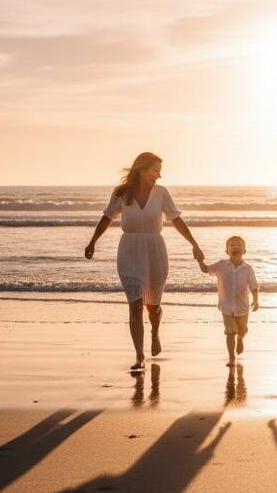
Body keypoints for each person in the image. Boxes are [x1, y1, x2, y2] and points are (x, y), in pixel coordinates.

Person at [84, 152, 204, 370]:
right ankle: (139, 356)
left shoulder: (161, 193)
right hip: (129, 251)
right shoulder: (122, 193)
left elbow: (176, 219)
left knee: (153, 305)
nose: (160, 175)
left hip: (155, 251)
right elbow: (107, 217)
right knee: (135, 304)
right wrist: (93, 242)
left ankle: (155, 331)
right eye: (156, 170)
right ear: (143, 169)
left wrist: (194, 244)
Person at [198, 236, 260, 366]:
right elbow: (205, 269)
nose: (235, 247)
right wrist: (200, 259)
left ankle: (241, 339)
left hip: (242, 307)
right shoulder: (221, 265)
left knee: (242, 330)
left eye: (239, 245)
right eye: (232, 245)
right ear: (227, 251)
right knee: (230, 332)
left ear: (244, 251)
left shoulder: (248, 269)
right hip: (226, 307)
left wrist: (256, 300)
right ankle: (231, 358)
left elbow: (254, 286)